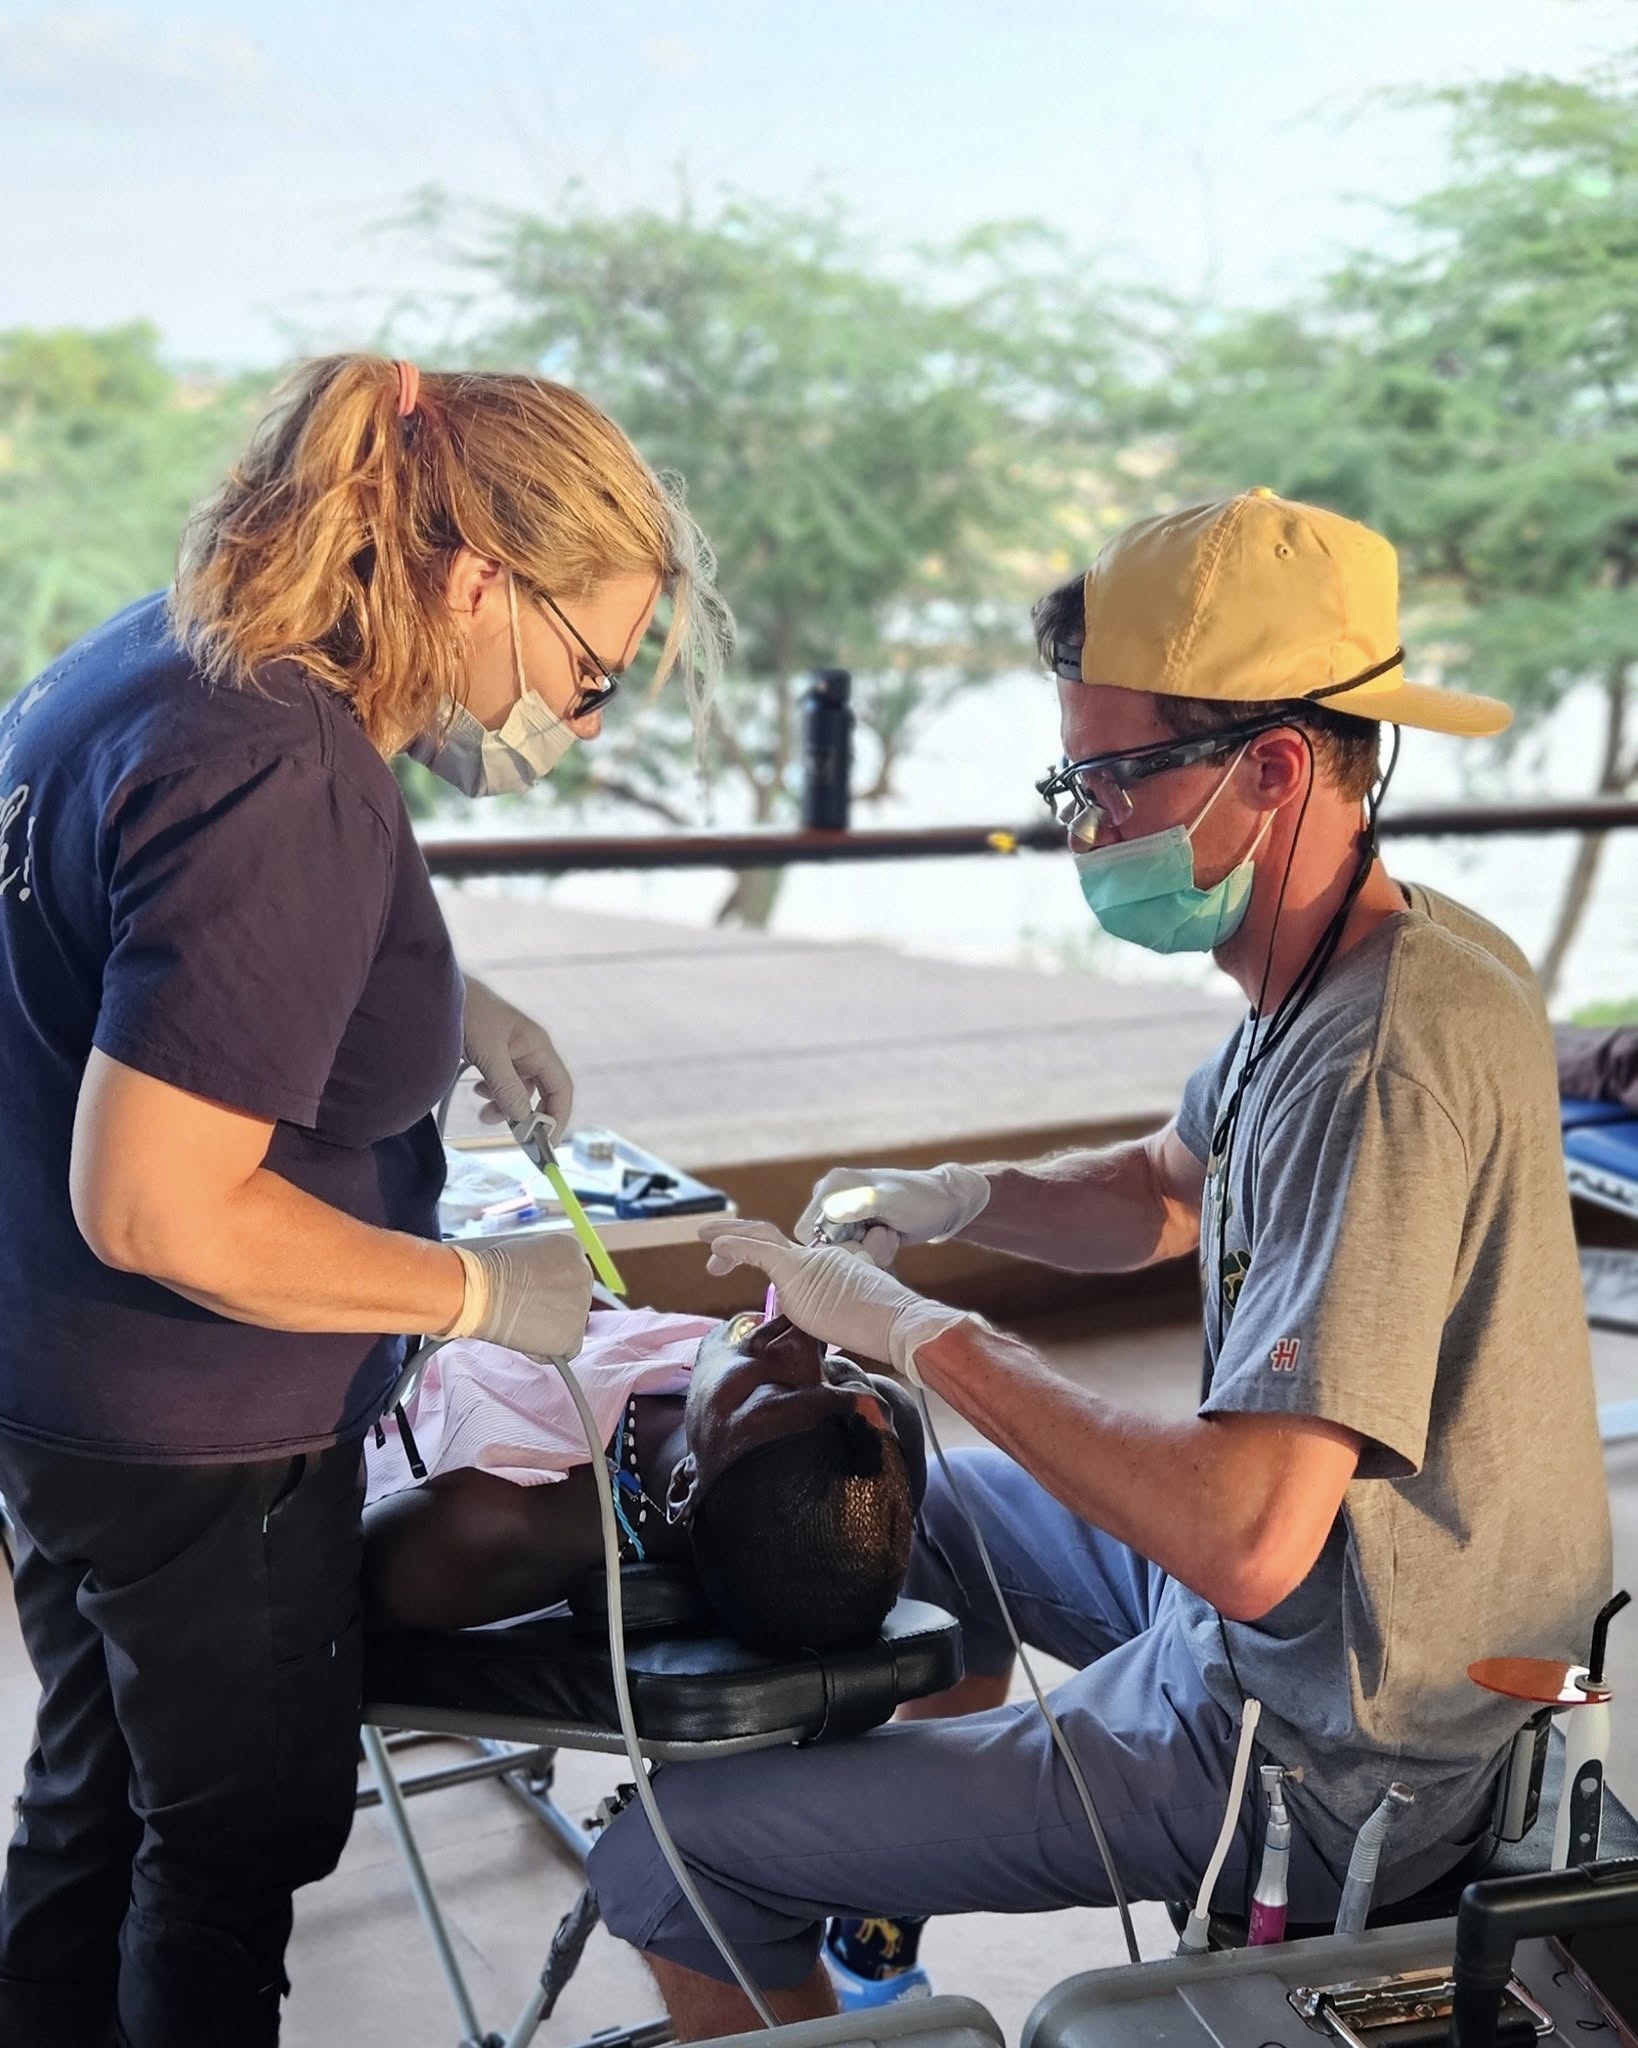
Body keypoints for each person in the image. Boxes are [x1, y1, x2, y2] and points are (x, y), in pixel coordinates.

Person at [587, 489, 1612, 2035]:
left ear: (1272, 769)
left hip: (1336, 1746)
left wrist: (919, 1335)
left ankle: (781, 1896)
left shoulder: (1376, 1061)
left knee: (670, 1856)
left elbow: (1246, 1537)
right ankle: (873, 1935)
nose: (1085, 826)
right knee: (930, 1506)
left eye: (1109, 779)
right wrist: (954, 1196)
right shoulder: (1362, 961)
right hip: (1312, 1630)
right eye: (1070, 778)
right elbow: (1161, 1190)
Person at [0, 354, 728, 2048]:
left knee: (95, 1799)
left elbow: (133, 948)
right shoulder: (277, 765)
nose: (586, 716)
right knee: (228, 1844)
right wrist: (475, 1292)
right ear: (481, 577)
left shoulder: (166, 650)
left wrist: (436, 992)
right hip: (198, 1422)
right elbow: (164, 1208)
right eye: (589, 668)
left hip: (61, 1386)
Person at [361, 1307, 926, 1647]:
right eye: (841, 1375)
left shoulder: (489, 1517)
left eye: (769, 1391)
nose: (798, 1339)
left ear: (684, 1483)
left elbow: (293, 1580)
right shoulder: (725, 1412)